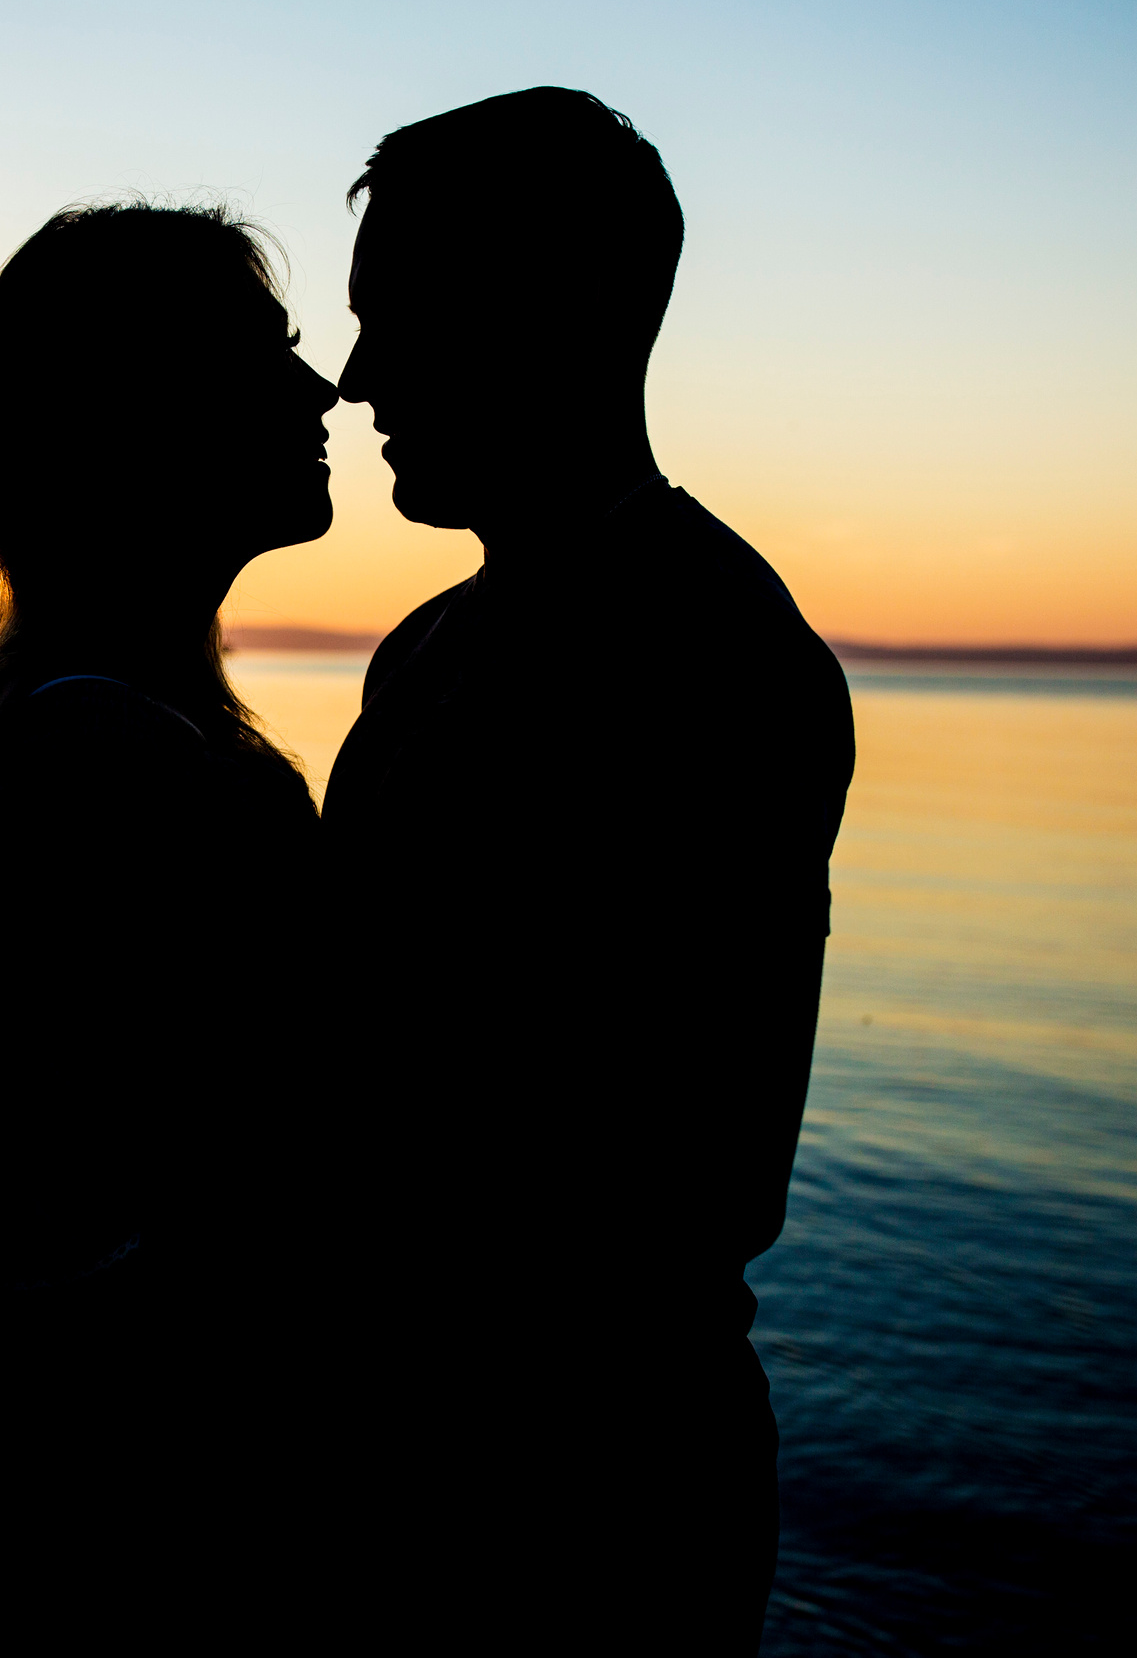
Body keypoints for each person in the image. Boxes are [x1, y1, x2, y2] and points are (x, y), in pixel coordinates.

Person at [322, 89, 856, 1651]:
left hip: (581, 1506)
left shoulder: (709, 656)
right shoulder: (432, 647)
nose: (356, 379)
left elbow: (664, 1173)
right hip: (408, 1462)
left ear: (564, 312)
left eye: (398, 316)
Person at [0, 203, 340, 1652]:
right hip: (130, 1564)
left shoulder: (101, 734)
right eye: (271, 358)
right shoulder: (112, 766)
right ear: (152, 415)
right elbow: (77, 1244)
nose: (321, 392)